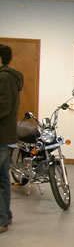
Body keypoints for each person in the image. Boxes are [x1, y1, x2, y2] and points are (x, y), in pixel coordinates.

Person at [0, 44, 24, 233]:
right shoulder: (10, 77)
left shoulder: (3, 77)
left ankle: (1, 220)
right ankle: (5, 215)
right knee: (3, 179)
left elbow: (3, 107)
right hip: (6, 136)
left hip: (1, 136)